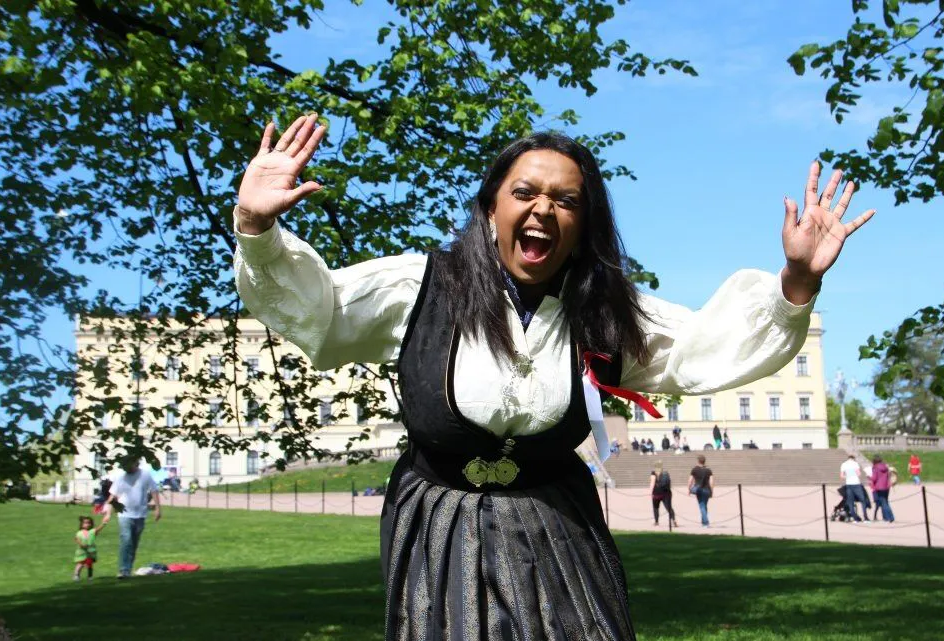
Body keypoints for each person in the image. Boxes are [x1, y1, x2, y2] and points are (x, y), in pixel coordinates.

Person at [233, 114, 873, 638]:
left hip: (556, 519)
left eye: (565, 200)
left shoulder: (609, 310)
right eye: (524, 193)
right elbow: (322, 312)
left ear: (582, 225)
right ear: (490, 210)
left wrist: (798, 280)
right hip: (440, 522)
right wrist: (259, 228)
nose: (543, 209)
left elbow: (705, 345)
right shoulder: (419, 286)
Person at [101, 457, 162, 579]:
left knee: (133, 543)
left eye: (127, 465)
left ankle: (127, 569)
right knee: (126, 539)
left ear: (134, 463)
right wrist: (108, 513)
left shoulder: (145, 475)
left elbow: (154, 490)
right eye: (123, 466)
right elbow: (112, 496)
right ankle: (123, 570)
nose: (125, 468)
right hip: (124, 514)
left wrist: (158, 508)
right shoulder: (120, 477)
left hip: (140, 514)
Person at [73, 515, 107, 582]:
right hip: (82, 552)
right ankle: (76, 575)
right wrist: (81, 544)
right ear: (82, 524)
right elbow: (76, 539)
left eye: (89, 523)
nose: (87, 524)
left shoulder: (92, 532)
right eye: (85, 523)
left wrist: (103, 523)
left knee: (89, 565)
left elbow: (98, 529)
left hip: (90, 552)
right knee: (80, 564)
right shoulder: (79, 533)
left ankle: (90, 577)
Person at [688, 455, 714, 527]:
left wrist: (689, 489)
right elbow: (711, 482)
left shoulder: (694, 469)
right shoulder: (708, 470)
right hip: (707, 489)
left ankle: (706, 523)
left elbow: (690, 481)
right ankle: (703, 522)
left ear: (698, 461)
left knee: (702, 506)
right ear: (704, 461)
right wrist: (712, 491)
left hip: (698, 489)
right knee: (704, 505)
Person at [650, 460, 677, 528]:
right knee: (669, 508)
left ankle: (656, 522)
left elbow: (652, 483)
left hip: (656, 493)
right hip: (666, 493)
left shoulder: (653, 473)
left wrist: (650, 492)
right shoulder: (665, 473)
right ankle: (673, 520)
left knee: (656, 507)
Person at [839, 454, 865, 522]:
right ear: (853, 458)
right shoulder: (855, 464)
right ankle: (865, 517)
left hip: (848, 484)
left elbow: (842, 476)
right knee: (863, 500)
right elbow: (859, 474)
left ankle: (855, 518)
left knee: (850, 502)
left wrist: (848, 476)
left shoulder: (844, 464)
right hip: (856, 483)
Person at [870, 455, 895, 522]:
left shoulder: (875, 468)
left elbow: (874, 478)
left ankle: (889, 517)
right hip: (886, 486)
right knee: (886, 502)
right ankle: (889, 516)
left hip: (879, 487)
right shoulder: (885, 467)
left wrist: (870, 478)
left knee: (883, 503)